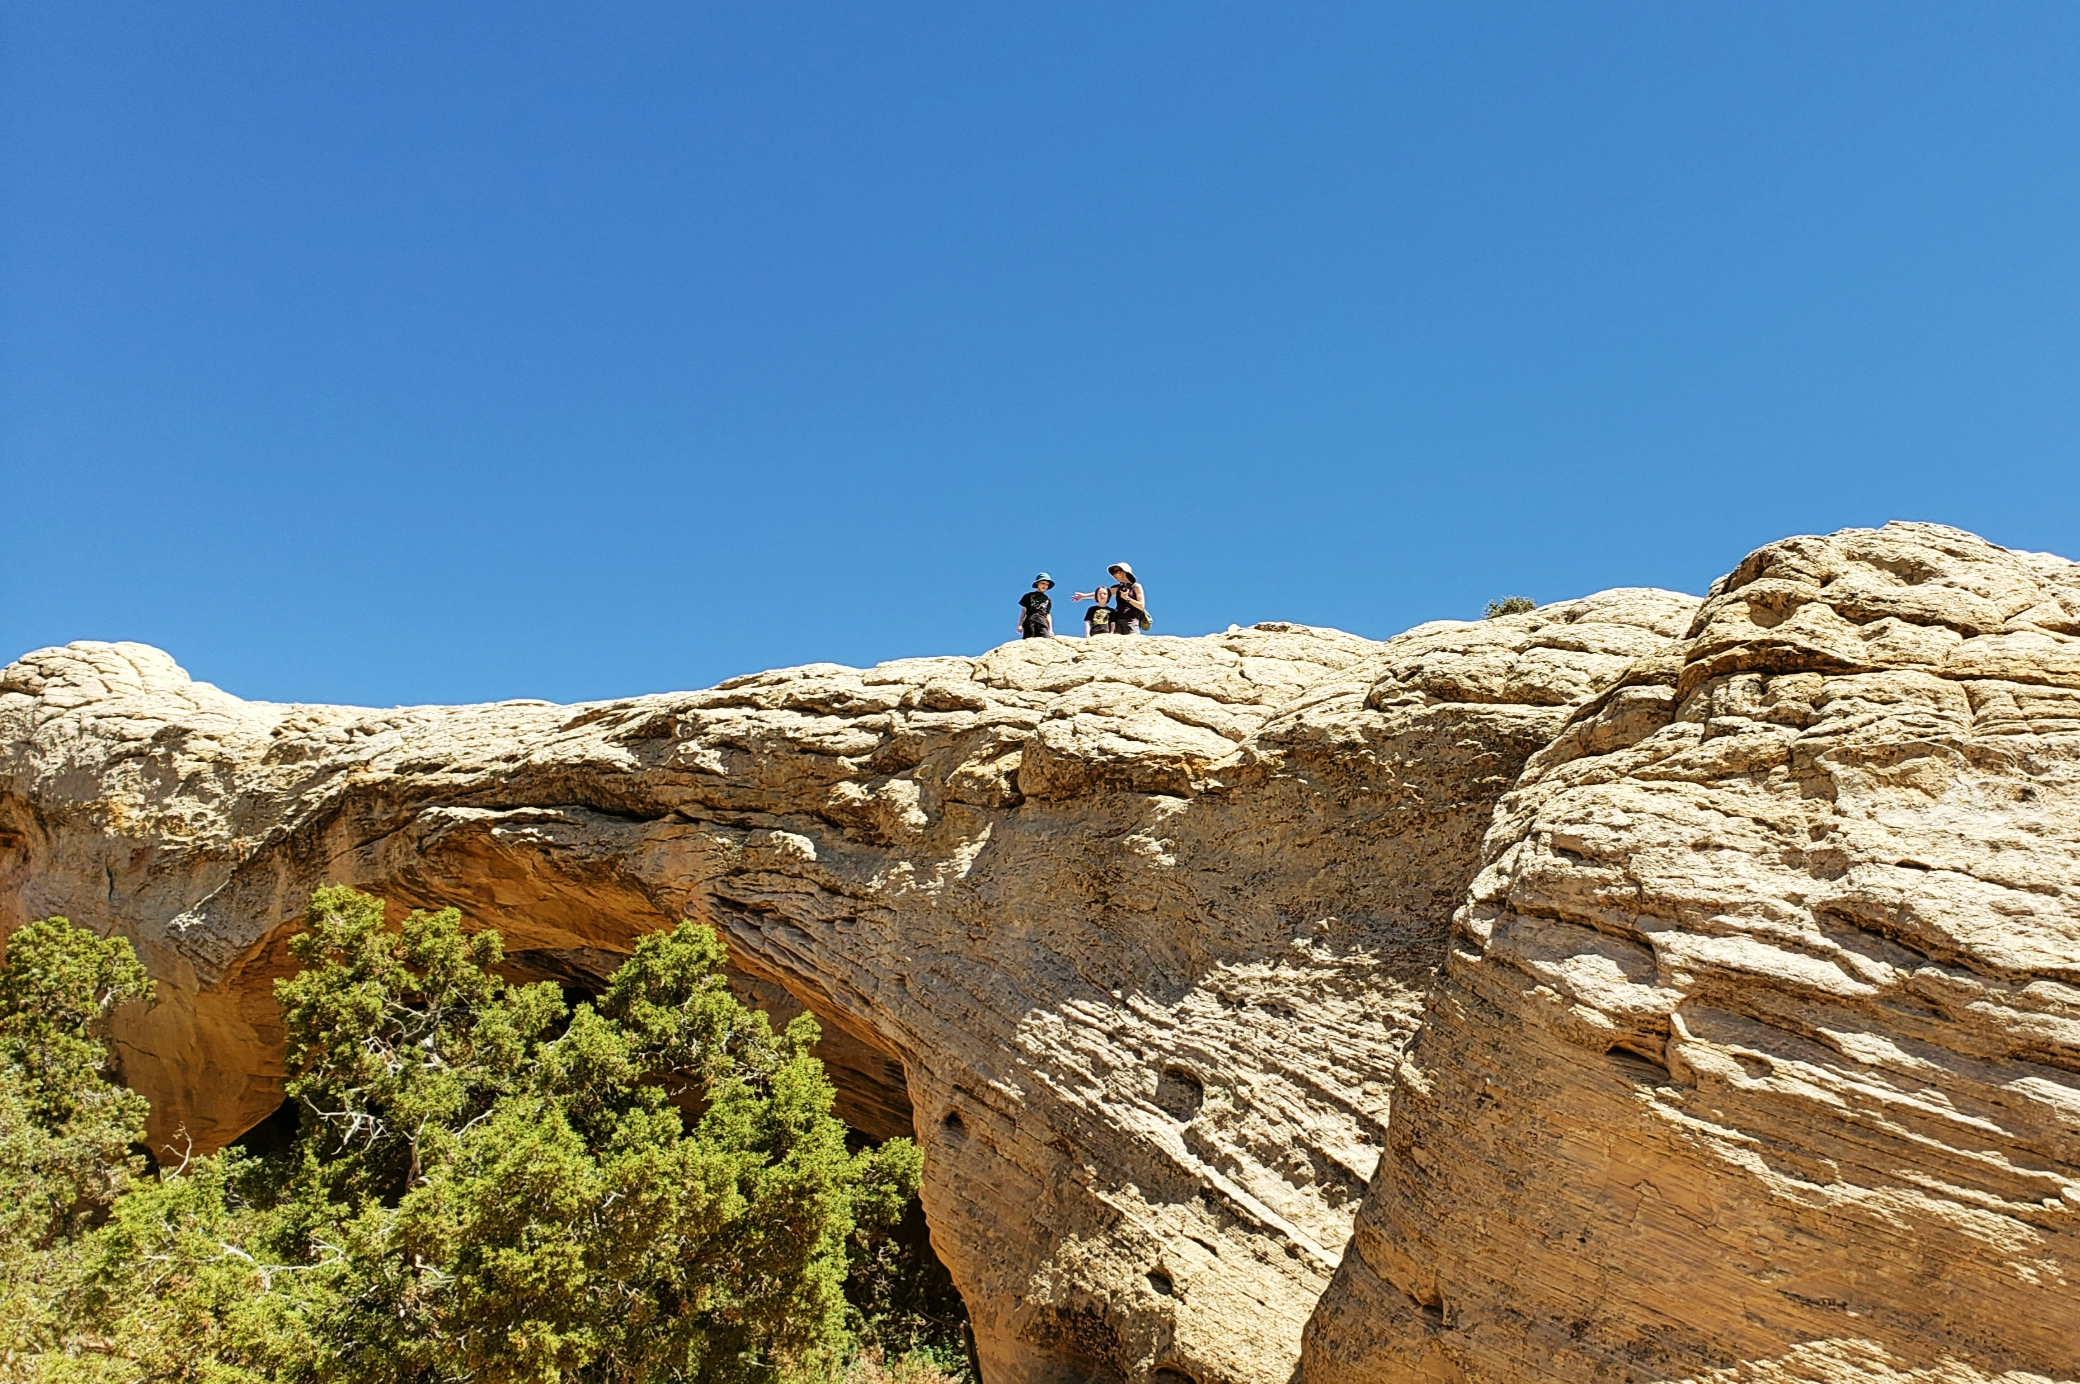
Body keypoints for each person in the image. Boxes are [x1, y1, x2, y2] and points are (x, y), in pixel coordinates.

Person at [1107, 562, 1148, 635]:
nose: (1114, 575)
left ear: (1123, 572)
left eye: (1116, 572)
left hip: (1131, 621)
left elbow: (1141, 606)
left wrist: (1127, 598)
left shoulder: (1136, 587)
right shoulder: (1118, 588)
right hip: (1118, 621)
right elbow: (1101, 594)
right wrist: (1084, 596)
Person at [1017, 573, 1055, 639]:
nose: (1045, 586)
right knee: (1030, 640)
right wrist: (1020, 624)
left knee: (1044, 641)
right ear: (1037, 583)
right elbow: (1024, 610)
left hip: (1043, 623)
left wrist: (1050, 629)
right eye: (1043, 583)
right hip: (1030, 621)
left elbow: (1048, 614)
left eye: (1047, 584)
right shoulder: (1028, 596)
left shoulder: (1047, 599)